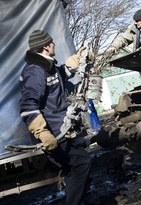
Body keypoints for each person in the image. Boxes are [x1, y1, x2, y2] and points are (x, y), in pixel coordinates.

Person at [19, 30, 91, 205]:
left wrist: (76, 61)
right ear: (45, 47)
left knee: (72, 171)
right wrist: (41, 132)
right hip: (54, 133)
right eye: (52, 43)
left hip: (62, 128)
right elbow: (28, 105)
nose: (54, 45)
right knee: (82, 164)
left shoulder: (47, 66)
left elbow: (59, 77)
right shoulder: (35, 71)